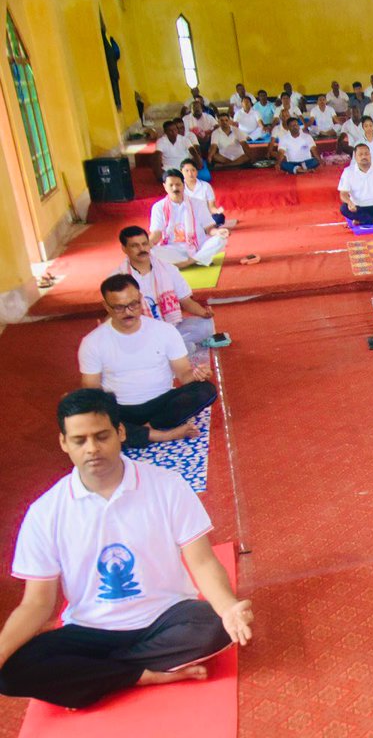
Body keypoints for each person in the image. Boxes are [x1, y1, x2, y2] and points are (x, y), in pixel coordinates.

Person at [0, 388, 253, 710]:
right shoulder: (45, 512)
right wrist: (2, 651)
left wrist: (228, 606)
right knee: (9, 673)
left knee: (214, 626)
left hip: (165, 616)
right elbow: (36, 603)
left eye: (101, 436)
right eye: (79, 440)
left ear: (120, 432)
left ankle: (98, 677)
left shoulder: (167, 485)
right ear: (64, 443)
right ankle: (145, 674)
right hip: (91, 629)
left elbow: (202, 561)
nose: (92, 449)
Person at [79, 275, 219, 447]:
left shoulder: (164, 331)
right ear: (106, 307)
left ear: (141, 300)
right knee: (82, 411)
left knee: (205, 390)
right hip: (120, 408)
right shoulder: (93, 342)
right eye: (119, 307)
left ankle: (136, 431)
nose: (128, 312)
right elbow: (92, 389)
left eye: (133, 304)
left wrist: (199, 375)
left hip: (160, 405)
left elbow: (183, 374)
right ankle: (159, 435)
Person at [115, 226, 216, 352]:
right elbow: (118, 314)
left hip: (170, 327)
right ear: (124, 248)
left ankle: (166, 349)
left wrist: (203, 313)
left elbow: (186, 301)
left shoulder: (168, 269)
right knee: (124, 340)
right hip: (139, 332)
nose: (142, 249)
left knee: (205, 326)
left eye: (144, 244)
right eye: (135, 246)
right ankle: (174, 349)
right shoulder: (117, 278)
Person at [148, 170, 228, 268]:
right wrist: (147, 243)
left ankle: (186, 262)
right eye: (171, 185)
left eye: (178, 184)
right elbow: (157, 233)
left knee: (221, 239)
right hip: (172, 249)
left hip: (198, 247)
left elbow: (209, 228)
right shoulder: (158, 207)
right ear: (164, 186)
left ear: (184, 185)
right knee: (151, 250)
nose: (175, 188)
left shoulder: (198, 203)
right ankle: (199, 260)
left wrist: (218, 232)